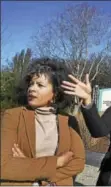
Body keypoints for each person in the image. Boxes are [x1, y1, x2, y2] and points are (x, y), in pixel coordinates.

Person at [0, 58, 85, 186]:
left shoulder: (69, 121)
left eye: (40, 85)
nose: (32, 89)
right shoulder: (13, 116)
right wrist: (57, 162)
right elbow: (4, 165)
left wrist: (37, 172)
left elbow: (78, 162)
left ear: (55, 93)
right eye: (31, 84)